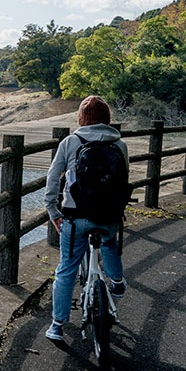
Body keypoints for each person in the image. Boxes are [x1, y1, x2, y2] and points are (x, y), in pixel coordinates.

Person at [43, 95, 128, 342]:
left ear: (81, 119)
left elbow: (52, 178)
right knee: (110, 242)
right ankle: (117, 280)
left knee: (66, 269)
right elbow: (123, 181)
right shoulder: (119, 144)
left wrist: (53, 211)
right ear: (107, 119)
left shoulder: (71, 142)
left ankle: (57, 325)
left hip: (76, 217)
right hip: (109, 216)